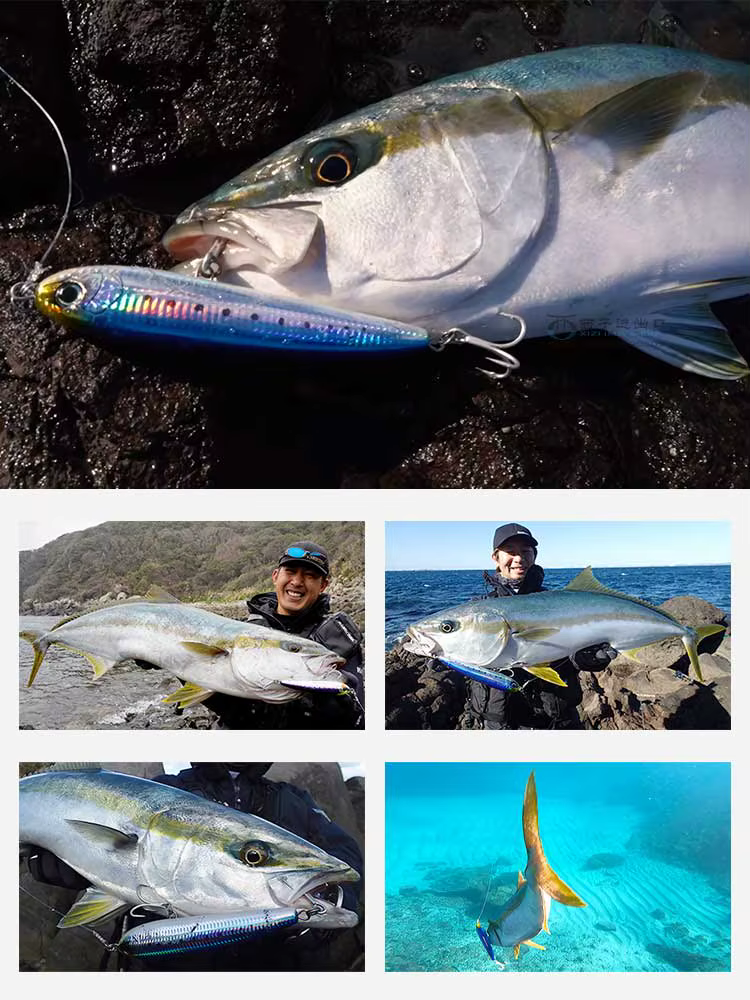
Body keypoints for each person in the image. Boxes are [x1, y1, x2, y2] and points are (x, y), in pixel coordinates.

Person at [22, 763, 364, 972]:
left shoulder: (293, 799)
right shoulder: (169, 790)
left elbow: (347, 861)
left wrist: (314, 921)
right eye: (253, 857)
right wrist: (66, 865)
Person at [466, 523, 616, 729]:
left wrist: (587, 659)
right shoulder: (477, 609)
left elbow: (571, 647)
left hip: (557, 720)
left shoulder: (560, 604)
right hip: (499, 723)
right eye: (510, 552)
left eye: (526, 552)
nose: (518, 558)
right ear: (496, 557)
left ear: (534, 555)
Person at [203, 541, 364, 729]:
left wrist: (343, 707)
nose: (297, 581)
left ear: (323, 585)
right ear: (275, 576)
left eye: (310, 575)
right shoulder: (245, 631)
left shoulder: (339, 641)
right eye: (290, 572)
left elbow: (358, 720)